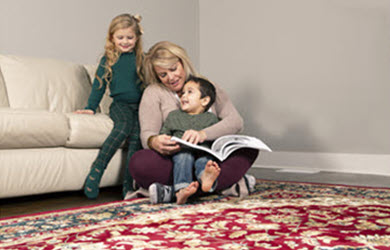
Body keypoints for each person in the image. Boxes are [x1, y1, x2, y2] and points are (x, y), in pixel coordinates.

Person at [127, 41, 259, 202]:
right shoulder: (154, 93)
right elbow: (147, 133)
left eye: (173, 69)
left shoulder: (207, 87)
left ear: (183, 63)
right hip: (174, 161)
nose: (171, 77)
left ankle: (172, 192)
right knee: (140, 162)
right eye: (163, 75)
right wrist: (154, 141)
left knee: (247, 149)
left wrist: (203, 134)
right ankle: (220, 186)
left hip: (209, 159)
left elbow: (235, 122)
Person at [75, 13, 144, 199]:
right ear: (112, 38)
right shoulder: (108, 60)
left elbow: (150, 84)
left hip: (140, 106)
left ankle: (129, 185)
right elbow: (99, 85)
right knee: (122, 129)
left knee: (137, 138)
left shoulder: (142, 59)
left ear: (137, 38)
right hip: (120, 105)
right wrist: (91, 107)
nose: (125, 41)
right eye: (120, 37)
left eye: (130, 38)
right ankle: (97, 169)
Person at [150, 75, 221, 204]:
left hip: (203, 151)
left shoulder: (211, 119)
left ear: (204, 101)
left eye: (190, 92)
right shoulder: (174, 115)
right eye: (182, 93)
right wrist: (163, 140)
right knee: (184, 157)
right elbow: (164, 133)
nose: (183, 96)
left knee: (205, 161)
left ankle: (205, 178)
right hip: (180, 151)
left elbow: (215, 137)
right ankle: (182, 190)